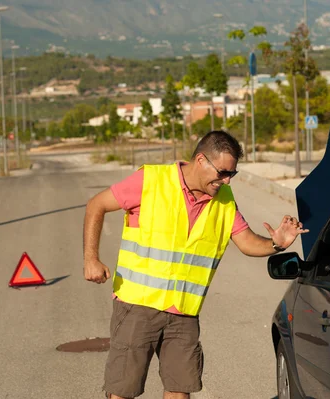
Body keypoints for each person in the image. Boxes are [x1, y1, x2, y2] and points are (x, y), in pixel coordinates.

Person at [83, 131, 308, 399]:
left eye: (232, 174)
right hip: (137, 305)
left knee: (180, 390)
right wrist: (91, 259)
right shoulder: (152, 180)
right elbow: (96, 205)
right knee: (123, 391)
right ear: (201, 160)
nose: (226, 180)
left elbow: (247, 242)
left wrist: (277, 245)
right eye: (223, 172)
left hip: (184, 312)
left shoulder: (224, 200)